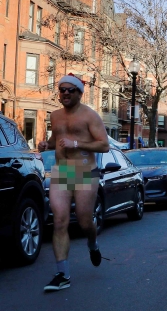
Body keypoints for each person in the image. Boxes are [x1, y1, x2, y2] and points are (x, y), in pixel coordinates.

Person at [37, 73, 110, 292]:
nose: (66, 93)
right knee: (59, 220)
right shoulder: (55, 115)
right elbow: (56, 139)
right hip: (62, 170)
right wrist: (46, 145)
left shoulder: (90, 116)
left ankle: (92, 244)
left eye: (71, 90)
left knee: (85, 221)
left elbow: (104, 145)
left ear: (79, 93)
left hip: (85, 170)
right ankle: (62, 274)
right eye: (62, 90)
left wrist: (76, 143)